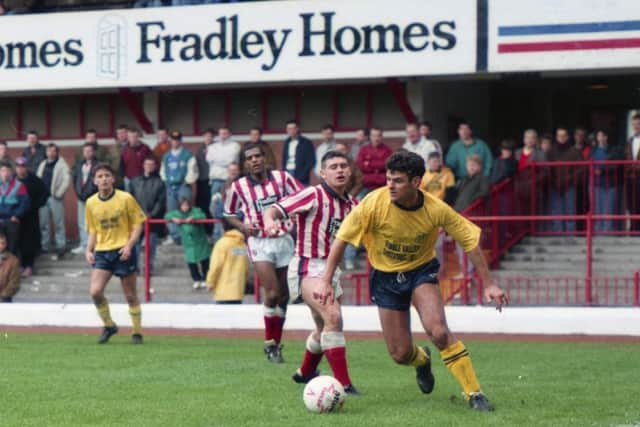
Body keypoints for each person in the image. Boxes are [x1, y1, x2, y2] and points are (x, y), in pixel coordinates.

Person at [317, 151, 507, 411]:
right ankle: (422, 361)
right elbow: (342, 240)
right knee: (400, 354)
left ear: (416, 182)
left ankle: (475, 393)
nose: (390, 186)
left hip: (421, 271)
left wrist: (489, 284)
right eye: (388, 179)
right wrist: (326, 280)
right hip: (385, 277)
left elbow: (470, 242)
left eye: (398, 181)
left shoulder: (436, 208)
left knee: (439, 330)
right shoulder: (373, 203)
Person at [263, 150, 359, 395]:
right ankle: (344, 386)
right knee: (333, 318)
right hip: (307, 266)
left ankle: (305, 373)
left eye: (343, 166)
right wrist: (270, 221)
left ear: (349, 171)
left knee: (325, 326)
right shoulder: (313, 194)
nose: (339, 170)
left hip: (330, 270)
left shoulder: (353, 205)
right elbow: (273, 209)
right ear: (323, 173)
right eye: (333, 166)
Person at [224, 143, 303, 363]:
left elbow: (303, 196)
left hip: (284, 239)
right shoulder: (238, 186)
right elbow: (229, 213)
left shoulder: (283, 178)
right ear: (245, 164)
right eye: (250, 158)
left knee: (285, 297)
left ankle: (275, 344)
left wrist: (296, 212)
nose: (255, 160)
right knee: (273, 293)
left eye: (258, 156)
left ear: (265, 158)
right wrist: (242, 227)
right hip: (259, 242)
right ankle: (270, 343)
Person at [85, 163, 146, 345]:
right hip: (103, 252)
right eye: (100, 176)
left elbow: (138, 224)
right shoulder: (91, 203)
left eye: (106, 175)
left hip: (123, 250)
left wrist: (129, 246)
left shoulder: (125, 198)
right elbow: (93, 230)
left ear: (113, 179)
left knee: (130, 295)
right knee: (95, 292)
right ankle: (109, 325)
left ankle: (136, 332)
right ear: (95, 181)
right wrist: (89, 249)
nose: (103, 179)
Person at [160, 131, 199, 245]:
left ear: (180, 141)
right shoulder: (167, 156)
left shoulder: (187, 155)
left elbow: (193, 170)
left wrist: (187, 181)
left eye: (177, 140)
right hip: (170, 186)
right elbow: (163, 170)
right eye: (173, 139)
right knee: (172, 212)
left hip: (183, 185)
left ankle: (188, 235)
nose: (175, 142)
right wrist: (166, 180)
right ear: (170, 141)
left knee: (185, 210)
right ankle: (174, 236)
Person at [130, 156, 166, 274]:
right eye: (147, 164)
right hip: (137, 220)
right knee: (134, 245)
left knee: (151, 246)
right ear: (143, 165)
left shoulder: (159, 182)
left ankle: (148, 268)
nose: (149, 166)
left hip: (152, 220)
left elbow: (160, 201)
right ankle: (134, 267)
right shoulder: (135, 181)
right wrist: (137, 215)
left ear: (155, 166)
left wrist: (151, 215)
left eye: (151, 164)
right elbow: (130, 199)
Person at [165, 198, 211, 289]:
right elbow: (167, 216)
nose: (185, 207)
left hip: (200, 242)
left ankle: (206, 279)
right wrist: (173, 219)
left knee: (205, 261)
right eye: (183, 205)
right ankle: (196, 279)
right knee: (191, 263)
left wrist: (194, 218)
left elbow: (203, 215)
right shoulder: (177, 213)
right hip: (189, 244)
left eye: (186, 205)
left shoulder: (195, 211)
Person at [15, 157, 49, 277]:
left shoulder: (34, 180)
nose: (20, 169)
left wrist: (36, 205)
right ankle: (20, 265)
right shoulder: (13, 180)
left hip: (31, 216)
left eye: (23, 166)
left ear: (26, 167)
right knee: (17, 241)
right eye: (18, 167)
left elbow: (45, 193)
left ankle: (29, 265)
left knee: (30, 241)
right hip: (16, 216)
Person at [37, 143, 71, 259]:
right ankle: (44, 246)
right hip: (43, 197)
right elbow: (38, 178)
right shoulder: (43, 164)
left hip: (55, 197)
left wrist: (59, 193)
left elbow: (66, 180)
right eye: (48, 151)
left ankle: (61, 246)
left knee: (58, 223)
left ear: (56, 152)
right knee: (43, 224)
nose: (50, 153)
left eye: (53, 151)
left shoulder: (62, 164)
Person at [547, 126, 583, 232]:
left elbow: (581, 168)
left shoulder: (575, 151)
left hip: (570, 185)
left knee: (570, 211)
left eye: (563, 136)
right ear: (556, 137)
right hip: (554, 185)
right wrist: (553, 180)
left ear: (567, 137)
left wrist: (569, 178)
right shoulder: (551, 152)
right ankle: (557, 235)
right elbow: (547, 168)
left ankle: (570, 235)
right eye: (559, 136)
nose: (561, 138)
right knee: (556, 211)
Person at [207, 126, 240, 240]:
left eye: (225, 133)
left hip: (230, 180)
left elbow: (230, 160)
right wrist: (224, 161)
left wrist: (219, 160)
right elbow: (210, 159)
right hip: (216, 181)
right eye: (221, 133)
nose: (223, 135)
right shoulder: (212, 147)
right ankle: (217, 236)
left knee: (232, 206)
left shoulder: (235, 145)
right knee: (216, 208)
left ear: (230, 134)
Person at [206, 220, 249, 304]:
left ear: (223, 227)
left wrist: (210, 282)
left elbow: (216, 266)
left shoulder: (222, 243)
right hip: (238, 291)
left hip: (223, 291)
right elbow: (246, 267)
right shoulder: (242, 244)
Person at [591, 129, 623, 232]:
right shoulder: (593, 151)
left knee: (608, 209)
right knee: (597, 209)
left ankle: (607, 232)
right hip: (596, 184)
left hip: (610, 183)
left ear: (606, 137)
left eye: (602, 136)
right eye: (598, 136)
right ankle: (598, 231)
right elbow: (589, 164)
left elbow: (616, 165)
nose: (600, 138)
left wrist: (602, 170)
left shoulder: (613, 150)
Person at [71, 143, 99, 255]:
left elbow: (96, 182)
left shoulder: (98, 165)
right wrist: (78, 193)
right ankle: (84, 244)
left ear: (93, 152)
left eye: (89, 151)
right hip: (81, 197)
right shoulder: (79, 165)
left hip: (94, 197)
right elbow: (75, 180)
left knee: (95, 222)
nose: (87, 153)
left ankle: (96, 245)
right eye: (85, 151)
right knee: (82, 222)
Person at [0, 162, 30, 255]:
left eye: (7, 171)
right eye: (3, 171)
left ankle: (12, 267)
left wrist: (16, 215)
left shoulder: (19, 185)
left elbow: (25, 203)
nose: (5, 173)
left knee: (12, 246)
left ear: (11, 172)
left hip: (11, 220)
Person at [357, 126, 393, 196]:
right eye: (374, 136)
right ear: (370, 137)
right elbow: (360, 165)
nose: (376, 138)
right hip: (366, 185)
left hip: (383, 185)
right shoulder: (363, 150)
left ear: (382, 137)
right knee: (358, 201)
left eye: (378, 136)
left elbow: (388, 165)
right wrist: (379, 166)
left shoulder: (387, 150)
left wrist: (369, 164)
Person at [282, 119, 315, 186]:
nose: (291, 131)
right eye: (289, 129)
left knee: (303, 194)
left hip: (301, 175)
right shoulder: (287, 142)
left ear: (297, 129)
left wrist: (304, 174)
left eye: (293, 128)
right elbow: (284, 159)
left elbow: (311, 161)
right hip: (288, 172)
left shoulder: (306, 142)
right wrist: (284, 172)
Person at [195, 128, 214, 235]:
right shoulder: (199, 150)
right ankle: (205, 230)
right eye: (206, 136)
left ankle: (212, 230)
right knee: (202, 205)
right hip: (202, 181)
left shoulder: (217, 148)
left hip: (213, 180)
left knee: (212, 205)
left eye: (210, 136)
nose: (208, 138)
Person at [625, 114, 640, 231]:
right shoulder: (630, 140)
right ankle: (634, 229)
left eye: (638, 123)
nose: (636, 126)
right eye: (634, 124)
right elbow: (627, 157)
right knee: (632, 203)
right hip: (632, 177)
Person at [0, 232, 21, 303]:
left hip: (5, 299)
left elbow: (14, 282)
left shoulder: (13, 261)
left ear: (5, 244)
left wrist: (4, 295)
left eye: (2, 243)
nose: (0, 246)